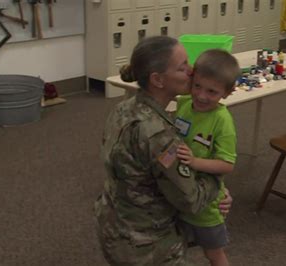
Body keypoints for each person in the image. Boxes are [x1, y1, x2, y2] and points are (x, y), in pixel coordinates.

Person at [94, 35, 232, 265]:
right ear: (158, 80)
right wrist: (217, 185)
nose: (192, 71)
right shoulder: (157, 135)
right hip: (145, 244)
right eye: (182, 67)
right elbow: (192, 200)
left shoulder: (123, 108)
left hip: (112, 224)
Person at [175, 49, 240, 266]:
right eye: (197, 86)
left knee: (214, 254)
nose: (202, 96)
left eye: (212, 91)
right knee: (175, 249)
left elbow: (227, 164)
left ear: (228, 92)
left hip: (207, 207)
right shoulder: (184, 103)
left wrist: (194, 162)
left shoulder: (222, 121)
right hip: (181, 194)